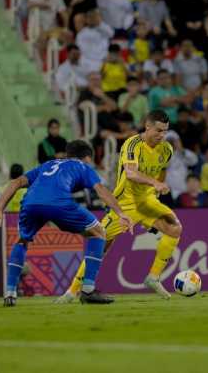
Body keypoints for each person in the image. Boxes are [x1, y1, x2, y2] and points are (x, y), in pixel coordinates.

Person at [0, 140, 134, 306]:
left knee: (22, 241)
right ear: (87, 158)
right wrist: (121, 213)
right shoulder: (83, 166)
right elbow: (101, 191)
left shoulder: (48, 164)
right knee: (99, 233)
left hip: (31, 203)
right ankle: (87, 290)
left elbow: (16, 182)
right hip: (58, 203)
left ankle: (10, 293)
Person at [60, 110, 183, 301]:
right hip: (125, 204)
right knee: (100, 246)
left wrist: (157, 188)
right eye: (158, 130)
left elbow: (162, 171)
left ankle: (153, 277)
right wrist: (155, 183)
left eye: (165, 131)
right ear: (147, 126)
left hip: (148, 201)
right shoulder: (132, 144)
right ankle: (71, 292)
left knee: (175, 228)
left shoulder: (166, 149)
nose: (162, 135)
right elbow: (132, 173)